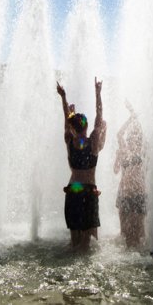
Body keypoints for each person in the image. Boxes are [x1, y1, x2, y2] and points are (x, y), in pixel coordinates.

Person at [56, 78, 105, 250]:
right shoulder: (93, 142)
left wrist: (63, 97)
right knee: (86, 243)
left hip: (73, 190)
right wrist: (98, 93)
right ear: (86, 126)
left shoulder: (69, 141)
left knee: (74, 241)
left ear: (73, 128)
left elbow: (66, 117)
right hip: (89, 192)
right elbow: (99, 116)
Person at [114, 101, 146, 248]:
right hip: (126, 194)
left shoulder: (140, 150)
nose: (133, 138)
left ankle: (143, 260)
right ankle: (129, 262)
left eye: (135, 136)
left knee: (139, 233)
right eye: (131, 137)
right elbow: (119, 134)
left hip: (139, 193)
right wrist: (130, 117)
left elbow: (140, 132)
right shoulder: (124, 150)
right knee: (127, 235)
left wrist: (134, 114)